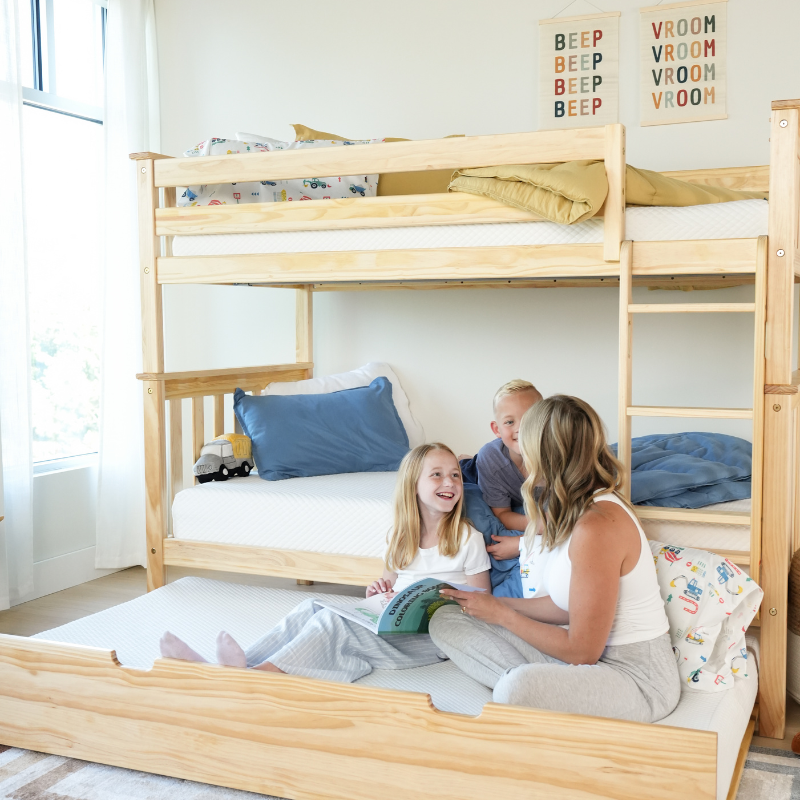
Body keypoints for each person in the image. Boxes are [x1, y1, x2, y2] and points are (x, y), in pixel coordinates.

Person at [430, 395, 681, 723]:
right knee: (448, 619)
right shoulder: (574, 509)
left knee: (514, 689)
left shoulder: (598, 525)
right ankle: (546, 691)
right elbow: (568, 608)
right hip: (583, 661)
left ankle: (533, 689)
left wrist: (504, 616)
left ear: (546, 454)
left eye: (526, 446)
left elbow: (582, 651)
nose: (521, 457)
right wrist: (490, 604)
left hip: (634, 677)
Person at [159, 443, 491, 683]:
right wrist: (378, 592)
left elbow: (482, 606)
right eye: (437, 475)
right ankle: (237, 665)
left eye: (454, 475)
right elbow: (386, 586)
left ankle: (255, 675)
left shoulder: (468, 538)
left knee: (333, 625)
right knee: (312, 607)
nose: (450, 482)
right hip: (392, 625)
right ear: (412, 486)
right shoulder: (399, 537)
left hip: (432, 638)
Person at [477, 380, 542, 561]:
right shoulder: (491, 459)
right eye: (509, 422)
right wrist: (537, 525)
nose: (520, 429)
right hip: (485, 469)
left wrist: (522, 542)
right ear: (496, 429)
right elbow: (502, 513)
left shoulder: (558, 453)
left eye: (530, 419)